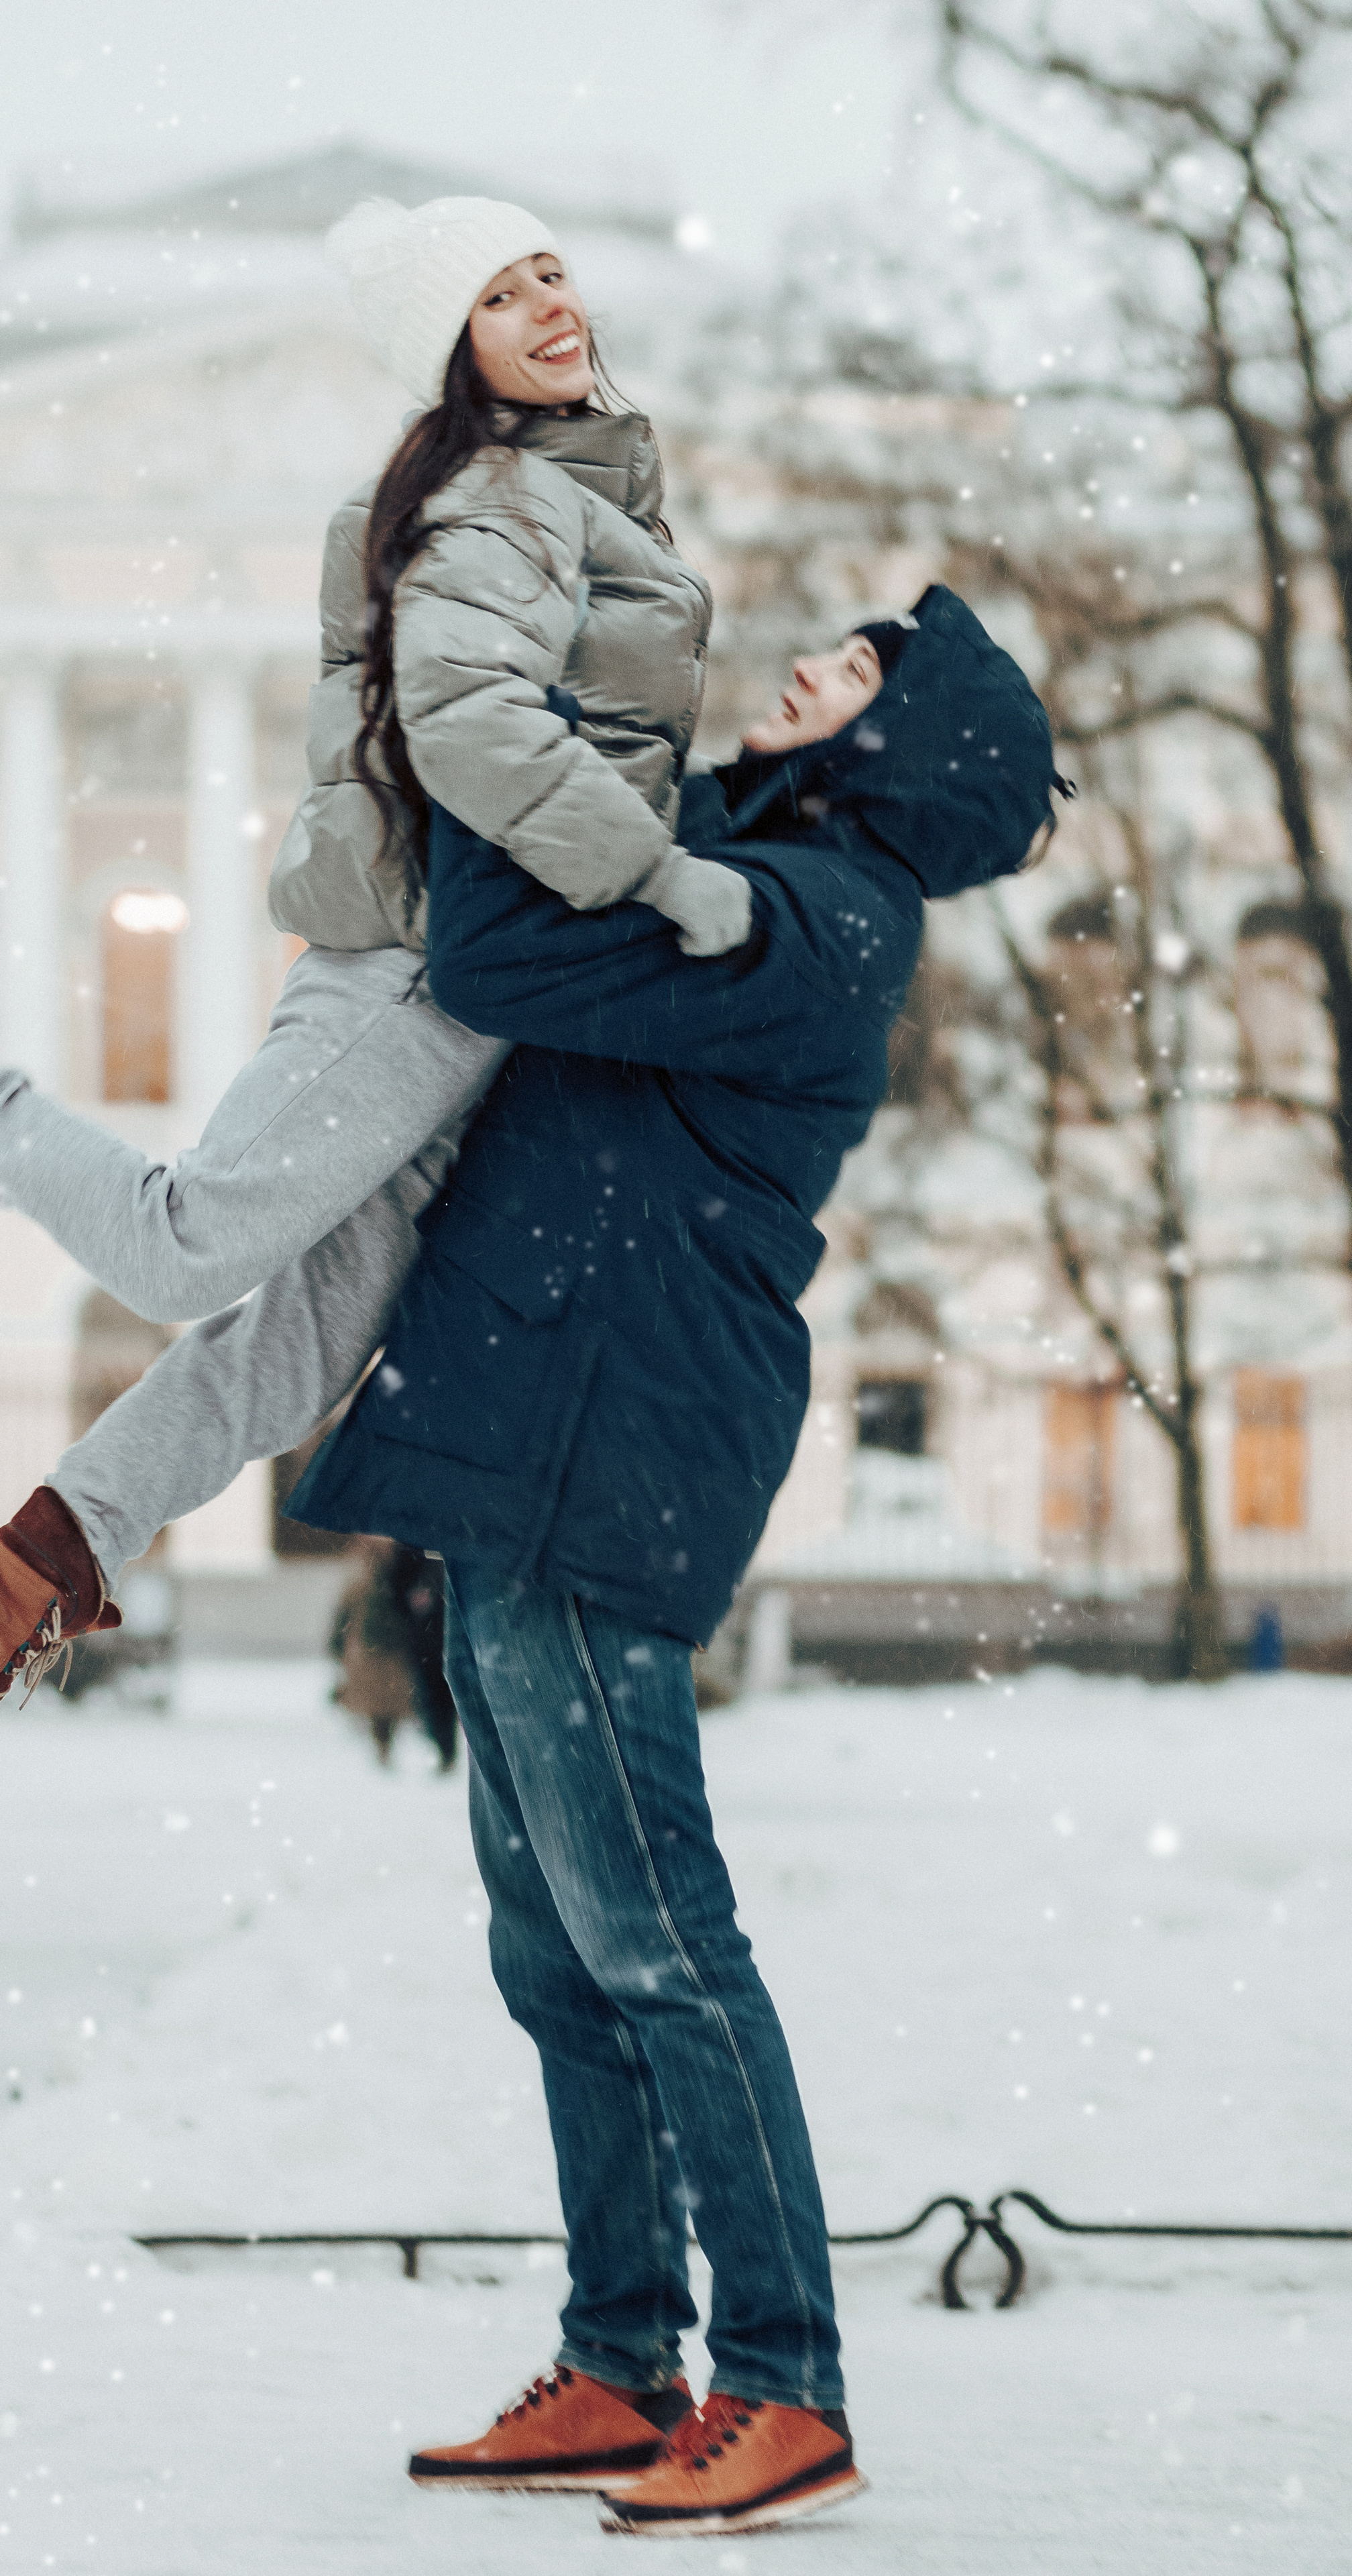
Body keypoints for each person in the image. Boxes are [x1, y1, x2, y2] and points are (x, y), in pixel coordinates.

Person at [0, 193, 749, 1827]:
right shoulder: (502, 502)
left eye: (548, 268)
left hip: (500, 991)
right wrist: (668, 882)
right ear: (446, 350)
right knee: (185, 1245)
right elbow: (470, 734)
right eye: (493, 290)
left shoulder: (590, 489)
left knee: (291, 1349)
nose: (545, 299)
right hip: (431, 959)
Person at [282, 582, 1063, 2538]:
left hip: (606, 1445)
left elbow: (502, 954)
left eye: (862, 675)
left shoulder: (817, 925)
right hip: (534, 1422)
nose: (813, 665)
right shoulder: (741, 864)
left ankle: (785, 2381)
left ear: (901, 747)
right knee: (555, 1950)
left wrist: (491, 738)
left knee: (658, 1942)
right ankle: (624, 2359)